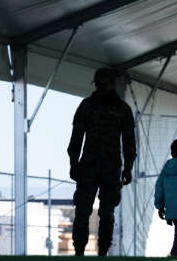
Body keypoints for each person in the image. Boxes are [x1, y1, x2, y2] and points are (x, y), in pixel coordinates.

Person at [67, 68, 137, 256]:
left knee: (107, 213)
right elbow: (76, 136)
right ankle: (79, 252)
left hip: (111, 168)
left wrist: (128, 168)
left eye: (103, 84)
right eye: (98, 84)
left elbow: (129, 141)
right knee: (82, 210)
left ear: (111, 84)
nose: (100, 88)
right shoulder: (87, 105)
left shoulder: (122, 109)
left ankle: (103, 253)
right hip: (89, 166)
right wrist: (73, 163)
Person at [155, 138, 177, 257]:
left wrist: (160, 206)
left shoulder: (166, 170)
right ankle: (175, 253)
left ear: (172, 153)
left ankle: (175, 253)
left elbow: (159, 188)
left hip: (173, 208)